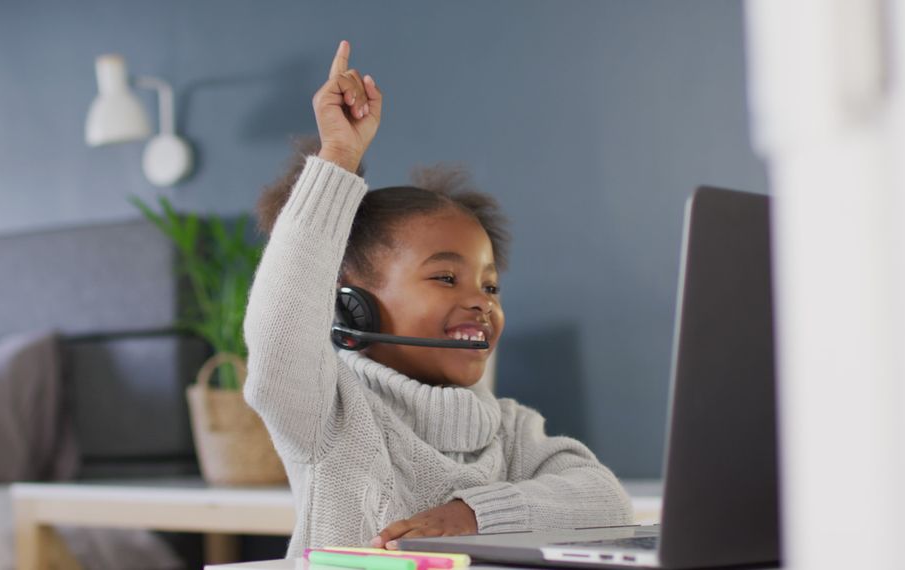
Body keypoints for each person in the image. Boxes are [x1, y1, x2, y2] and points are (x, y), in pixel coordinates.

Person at [243, 40, 632, 558]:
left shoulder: (511, 429)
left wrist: (475, 515)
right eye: (446, 278)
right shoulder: (328, 413)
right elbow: (281, 326)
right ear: (352, 306)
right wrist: (338, 157)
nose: (480, 302)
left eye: (490, 286)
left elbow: (607, 501)